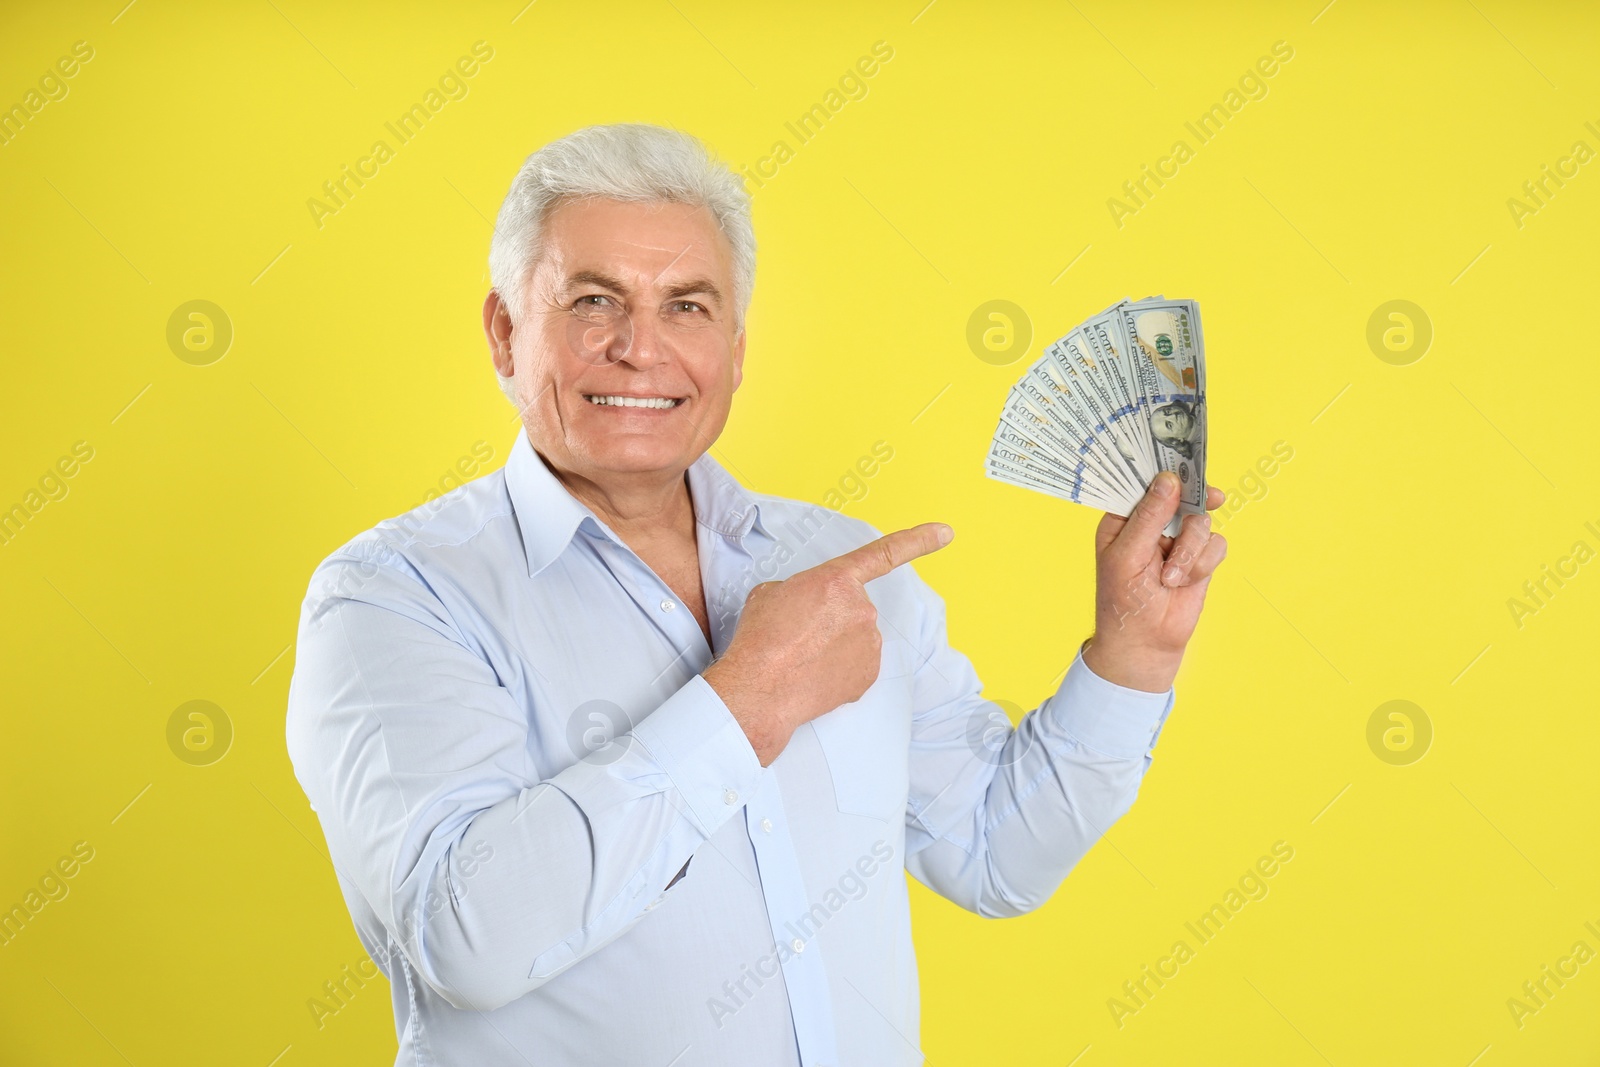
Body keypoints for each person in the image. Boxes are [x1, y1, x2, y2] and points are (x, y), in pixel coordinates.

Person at [285, 123, 1228, 1066]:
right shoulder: (390, 597)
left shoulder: (844, 564)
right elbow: (469, 937)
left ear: (735, 348)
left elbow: (994, 851)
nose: (640, 350)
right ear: (504, 332)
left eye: (687, 306)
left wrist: (1134, 655)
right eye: (592, 301)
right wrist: (751, 698)